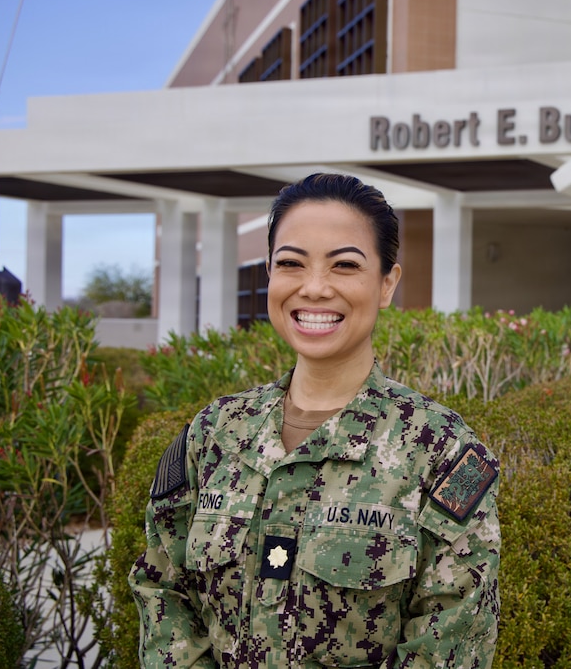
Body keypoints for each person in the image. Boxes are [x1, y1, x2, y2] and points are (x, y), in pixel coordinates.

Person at [130, 173, 501, 668]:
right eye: (291, 263)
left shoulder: (440, 450)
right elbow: (163, 592)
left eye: (345, 264)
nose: (315, 287)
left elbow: (453, 638)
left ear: (387, 283)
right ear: (269, 273)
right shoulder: (214, 433)